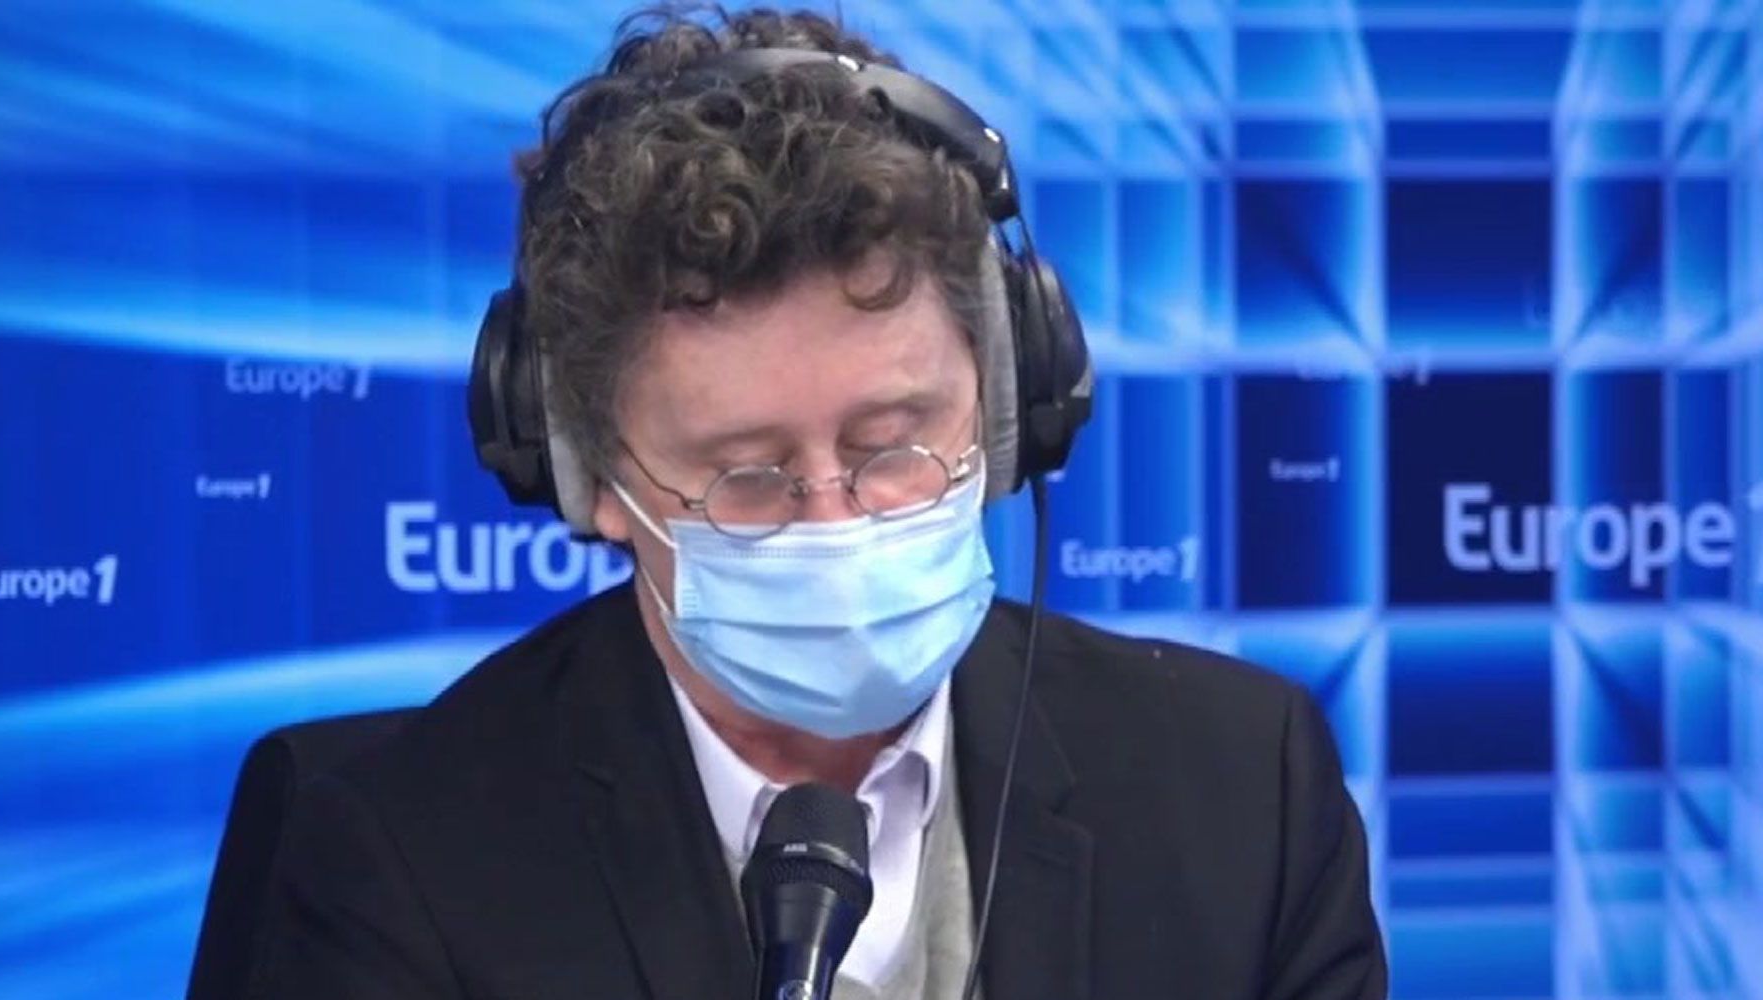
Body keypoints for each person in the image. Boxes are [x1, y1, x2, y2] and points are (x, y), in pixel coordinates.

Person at [195, 6, 1385, 998]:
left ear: (1004, 404)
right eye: (746, 473)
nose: (834, 520)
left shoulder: (1242, 793)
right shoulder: (395, 858)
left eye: (892, 444)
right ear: (594, 479)